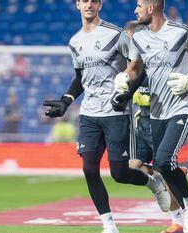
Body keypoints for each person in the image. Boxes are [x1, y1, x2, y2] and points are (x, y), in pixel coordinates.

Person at [42, 1, 170, 232]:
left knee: (119, 173)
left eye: (94, 0)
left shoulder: (117, 35)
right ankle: (108, 225)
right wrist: (66, 100)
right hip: (89, 114)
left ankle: (153, 182)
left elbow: (140, 68)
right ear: (77, 5)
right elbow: (80, 78)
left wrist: (127, 94)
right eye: (84, 1)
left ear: (100, 5)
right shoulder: (75, 42)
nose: (89, 4)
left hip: (115, 113)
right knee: (89, 169)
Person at [114, 0, 188, 232]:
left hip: (183, 106)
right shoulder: (139, 37)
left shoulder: (183, 32)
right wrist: (125, 77)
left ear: (151, 8)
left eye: (139, 5)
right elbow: (134, 68)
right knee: (164, 165)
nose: (135, 10)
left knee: (163, 161)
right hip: (157, 111)